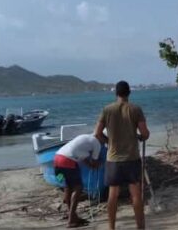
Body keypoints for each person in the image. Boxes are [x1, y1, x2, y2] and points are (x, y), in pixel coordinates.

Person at [95, 80, 150, 230]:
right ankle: (140, 227)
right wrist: (140, 137)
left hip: (113, 159)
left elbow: (97, 133)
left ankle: (111, 227)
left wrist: (109, 142)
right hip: (132, 158)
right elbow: (145, 133)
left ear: (116, 93)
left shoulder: (107, 110)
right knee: (135, 194)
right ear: (129, 93)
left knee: (113, 194)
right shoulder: (135, 109)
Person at [53, 133, 103, 228]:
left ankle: (73, 216)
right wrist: (99, 163)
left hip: (56, 160)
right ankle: (71, 219)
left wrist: (90, 165)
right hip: (68, 161)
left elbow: (83, 158)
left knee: (68, 187)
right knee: (78, 188)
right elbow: (95, 161)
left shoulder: (84, 138)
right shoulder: (97, 144)